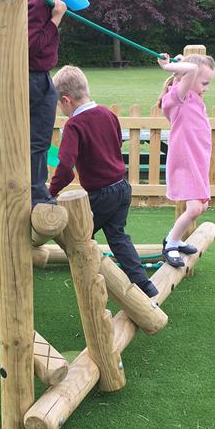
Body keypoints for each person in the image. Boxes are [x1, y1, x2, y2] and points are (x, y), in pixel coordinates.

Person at [48, 65, 158, 299]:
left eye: (60, 105)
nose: (61, 110)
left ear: (66, 100)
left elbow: (66, 168)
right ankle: (145, 286)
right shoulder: (108, 114)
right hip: (122, 188)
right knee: (117, 236)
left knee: (76, 238)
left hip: (101, 195)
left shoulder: (74, 125)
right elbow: (116, 144)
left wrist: (51, 193)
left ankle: (92, 287)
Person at [27, 0, 82, 206]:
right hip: (33, 76)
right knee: (37, 139)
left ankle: (35, 190)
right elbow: (31, 46)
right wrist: (55, 20)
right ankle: (36, 193)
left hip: (35, 76)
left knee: (35, 138)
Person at [156, 53, 215, 267]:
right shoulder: (177, 98)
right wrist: (168, 66)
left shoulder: (193, 98)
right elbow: (190, 71)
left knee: (201, 207)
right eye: (204, 83)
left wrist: (180, 67)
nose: (206, 88)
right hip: (185, 160)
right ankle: (170, 243)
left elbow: (189, 72)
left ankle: (176, 240)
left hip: (198, 160)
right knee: (193, 209)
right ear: (187, 79)